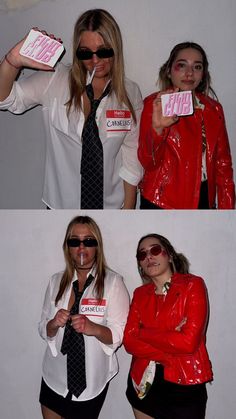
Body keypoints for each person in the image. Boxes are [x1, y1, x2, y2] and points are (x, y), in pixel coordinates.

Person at [0, 9, 143, 209]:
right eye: (86, 53)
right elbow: (5, 99)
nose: (95, 61)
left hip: (112, 206)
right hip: (60, 205)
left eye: (103, 51)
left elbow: (131, 157)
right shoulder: (54, 80)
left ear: (116, 49)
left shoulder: (130, 93)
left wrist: (127, 212)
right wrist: (12, 61)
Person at [38, 215, 130, 419]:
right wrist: (53, 324)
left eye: (88, 241)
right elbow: (43, 327)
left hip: (90, 382)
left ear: (97, 246)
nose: (81, 247)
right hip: (54, 375)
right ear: (67, 247)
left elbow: (119, 335)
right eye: (74, 241)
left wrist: (93, 328)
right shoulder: (55, 281)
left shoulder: (113, 283)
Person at [123, 233, 213, 419]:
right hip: (144, 383)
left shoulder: (192, 285)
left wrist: (144, 332)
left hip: (185, 384)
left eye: (155, 250)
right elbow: (129, 342)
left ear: (170, 255)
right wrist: (172, 339)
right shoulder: (140, 294)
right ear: (140, 264)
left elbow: (188, 343)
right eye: (142, 254)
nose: (149, 257)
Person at [138, 41, 235, 209]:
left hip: (204, 197)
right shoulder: (155, 104)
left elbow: (223, 166)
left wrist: (228, 211)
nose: (189, 73)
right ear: (169, 70)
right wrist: (158, 129)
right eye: (182, 65)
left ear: (203, 73)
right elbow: (148, 163)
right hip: (162, 200)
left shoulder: (213, 109)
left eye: (197, 67)